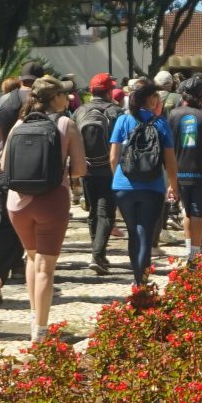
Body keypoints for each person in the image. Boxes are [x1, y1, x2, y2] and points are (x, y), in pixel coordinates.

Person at [5, 78, 86, 342]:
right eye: (65, 93)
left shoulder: (18, 125)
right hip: (52, 201)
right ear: (55, 98)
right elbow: (80, 170)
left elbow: (5, 164)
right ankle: (40, 332)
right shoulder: (66, 124)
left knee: (31, 258)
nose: (69, 97)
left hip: (17, 203)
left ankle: (33, 316)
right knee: (45, 268)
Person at [0, 62, 42, 303]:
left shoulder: (3, 102)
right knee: (35, 225)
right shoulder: (42, 100)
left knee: (6, 221)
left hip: (4, 170)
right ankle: (36, 277)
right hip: (35, 172)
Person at [108, 81, 176, 286]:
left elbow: (113, 156)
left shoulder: (123, 121)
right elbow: (170, 160)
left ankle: (137, 278)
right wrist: (174, 185)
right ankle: (141, 282)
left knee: (132, 232)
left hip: (123, 185)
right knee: (145, 234)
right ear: (152, 99)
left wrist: (117, 178)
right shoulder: (161, 124)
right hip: (152, 186)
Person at [165, 76, 202, 260]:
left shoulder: (173, 114)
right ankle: (195, 253)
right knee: (198, 212)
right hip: (201, 170)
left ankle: (189, 249)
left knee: (186, 211)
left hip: (179, 170)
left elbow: (168, 145)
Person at [75, 74, 121, 275]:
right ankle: (97, 254)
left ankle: (98, 253)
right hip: (108, 169)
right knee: (106, 212)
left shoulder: (79, 111)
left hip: (85, 168)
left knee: (93, 210)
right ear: (110, 91)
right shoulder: (115, 112)